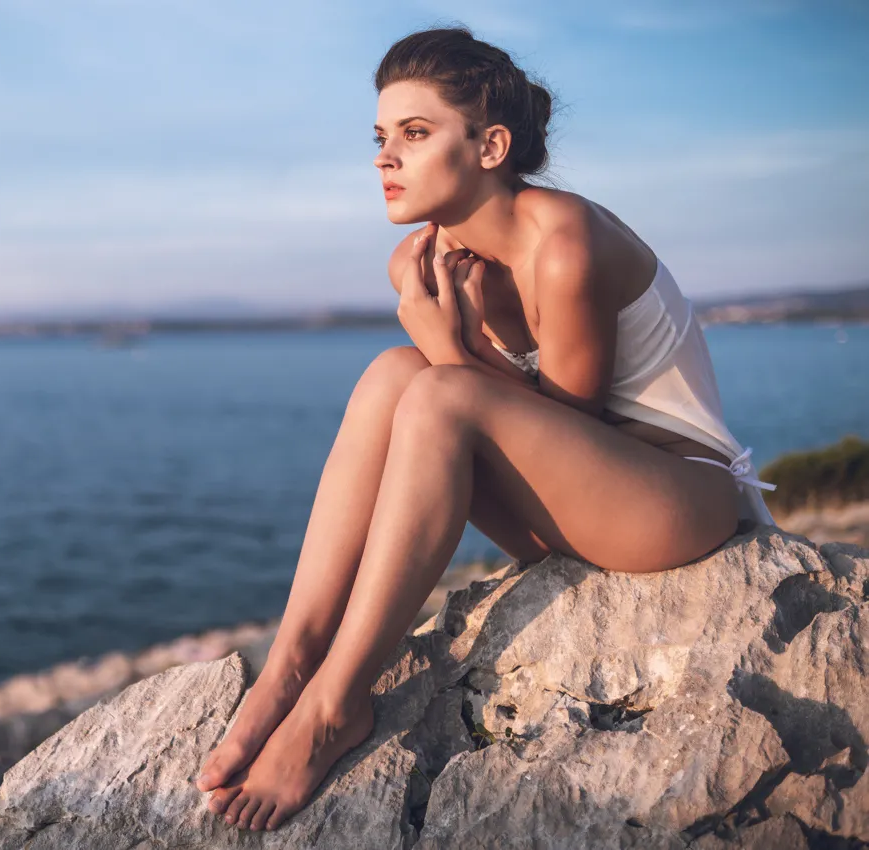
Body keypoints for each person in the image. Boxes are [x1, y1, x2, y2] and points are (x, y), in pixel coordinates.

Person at [191, 26, 777, 833]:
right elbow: (511, 427)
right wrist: (441, 349)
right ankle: (291, 666)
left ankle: (335, 708)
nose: (384, 157)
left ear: (491, 145)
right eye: (381, 137)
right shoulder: (419, 263)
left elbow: (577, 425)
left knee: (431, 386)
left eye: (416, 134)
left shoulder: (563, 244)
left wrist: (450, 347)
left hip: (676, 496)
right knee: (392, 375)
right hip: (572, 511)